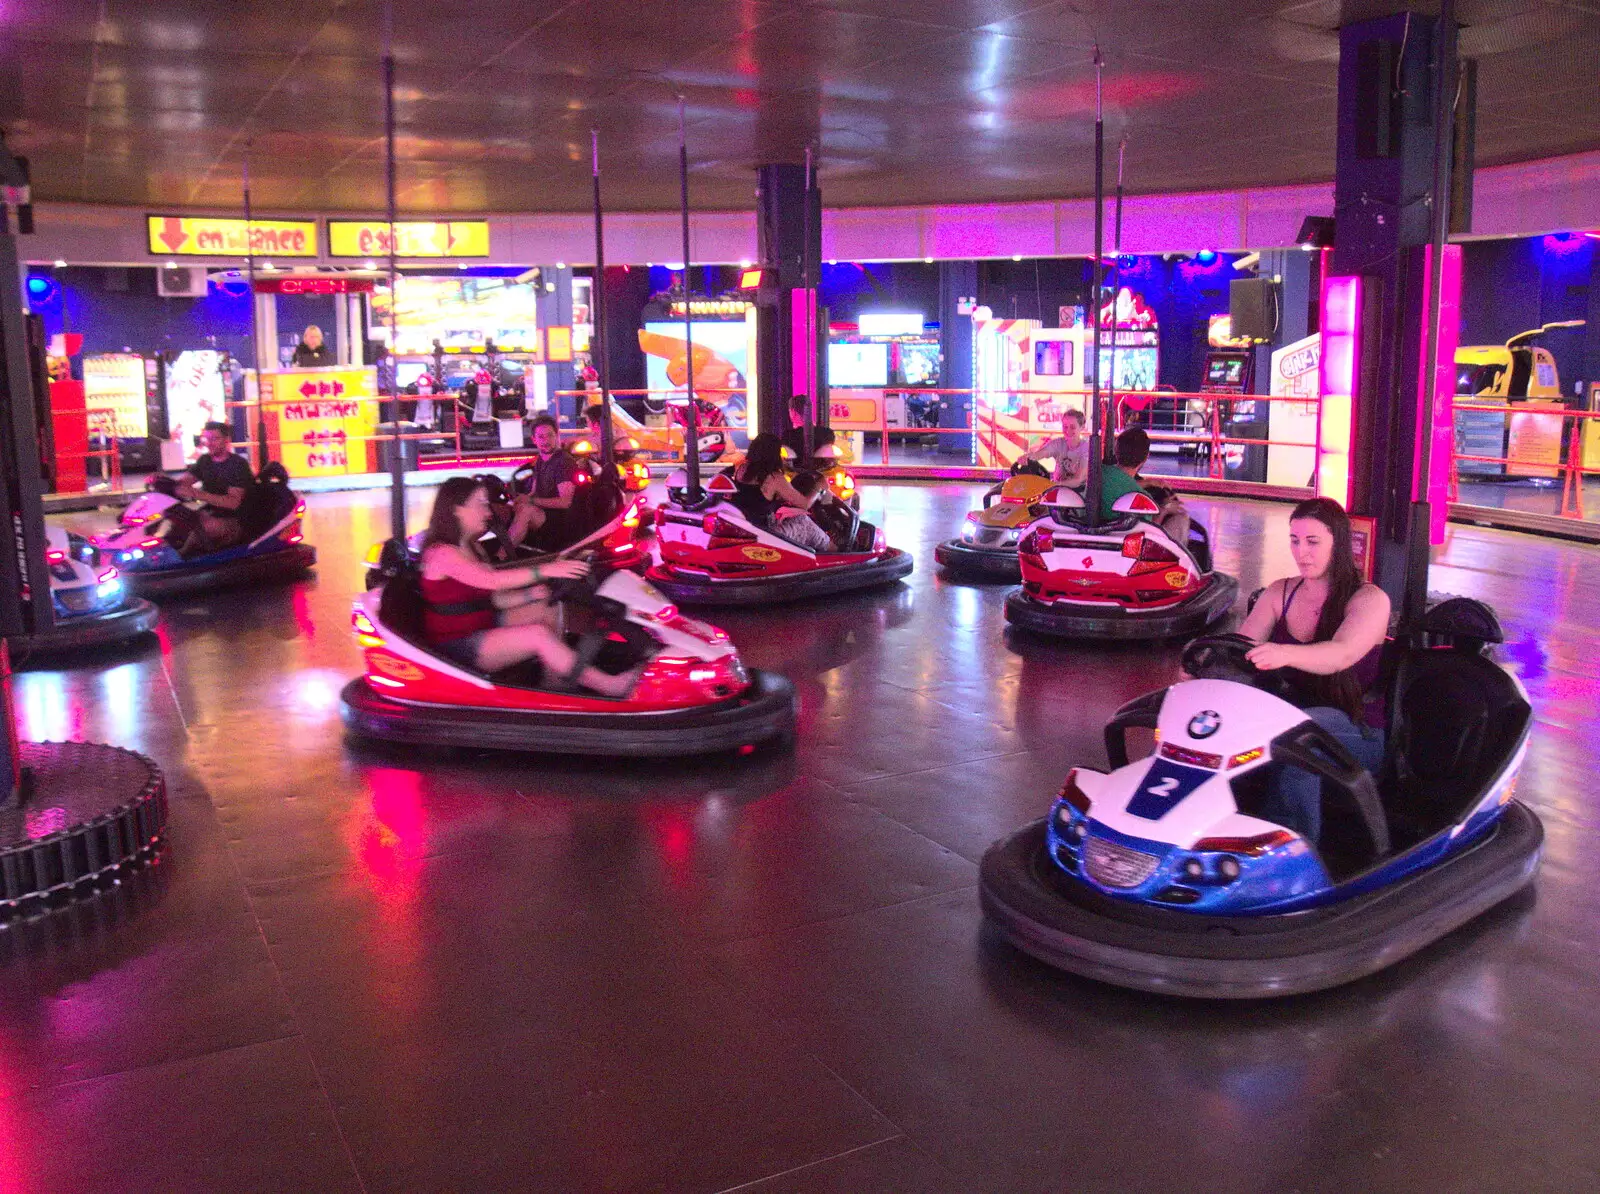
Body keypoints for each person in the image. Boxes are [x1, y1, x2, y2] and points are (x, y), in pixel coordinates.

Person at [1236, 497, 1390, 843]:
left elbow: (1340, 655)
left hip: (1356, 729)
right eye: (1294, 540)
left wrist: (1283, 653)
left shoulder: (1369, 600)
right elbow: (1240, 647)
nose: (1301, 552)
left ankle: (1292, 851)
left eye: (1312, 542)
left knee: (1300, 740)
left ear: (1338, 543)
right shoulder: (1281, 592)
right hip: (1285, 717)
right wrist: (1201, 665)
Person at [419, 478, 638, 695]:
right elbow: (490, 580)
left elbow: (494, 598)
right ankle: (611, 686)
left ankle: (555, 687)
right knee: (537, 635)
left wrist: (530, 594)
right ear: (457, 508)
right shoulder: (442, 554)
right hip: (457, 644)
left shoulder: (473, 547)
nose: (488, 512)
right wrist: (544, 571)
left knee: (549, 608)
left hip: (482, 622)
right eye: (482, 504)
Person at [733, 432, 834, 553]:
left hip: (750, 529)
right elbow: (805, 504)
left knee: (792, 517)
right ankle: (837, 553)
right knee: (804, 522)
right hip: (767, 534)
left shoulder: (741, 469)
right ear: (773, 454)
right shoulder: (774, 477)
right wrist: (818, 488)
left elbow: (756, 498)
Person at [173, 421, 254, 554]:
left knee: (201, 529)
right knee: (175, 523)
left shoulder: (238, 465)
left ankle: (180, 560)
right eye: (207, 439)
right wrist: (166, 483)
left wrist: (196, 493)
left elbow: (233, 503)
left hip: (235, 520)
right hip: (211, 513)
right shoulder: (205, 461)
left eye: (215, 439)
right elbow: (185, 481)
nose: (209, 443)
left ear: (227, 440)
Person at [1104, 427, 1190, 544]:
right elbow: (1150, 532)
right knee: (1182, 518)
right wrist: (1164, 509)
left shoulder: (1101, 473)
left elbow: (1122, 482)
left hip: (1103, 533)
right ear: (1145, 457)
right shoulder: (1142, 499)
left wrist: (1149, 482)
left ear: (1116, 450)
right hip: (1129, 545)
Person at [508, 415, 577, 548]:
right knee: (502, 509)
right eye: (541, 437)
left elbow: (565, 502)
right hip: (543, 513)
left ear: (556, 436)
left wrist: (531, 501)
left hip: (559, 518)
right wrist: (521, 499)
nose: (546, 441)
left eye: (550, 436)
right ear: (534, 440)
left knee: (525, 511)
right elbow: (534, 491)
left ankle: (502, 556)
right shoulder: (540, 460)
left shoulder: (563, 462)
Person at [1020, 409, 1090, 488]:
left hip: (1079, 493)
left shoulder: (1086, 448)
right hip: (1057, 490)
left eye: (1072, 427)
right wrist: (1029, 457)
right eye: (1065, 427)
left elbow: (1078, 480)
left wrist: (1054, 484)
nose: (1068, 430)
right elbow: (1041, 453)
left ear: (1082, 427)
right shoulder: (1058, 443)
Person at [782, 394, 835, 463]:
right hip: (822, 472)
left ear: (793, 412)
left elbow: (786, 460)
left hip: (796, 472)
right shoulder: (827, 433)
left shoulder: (789, 435)